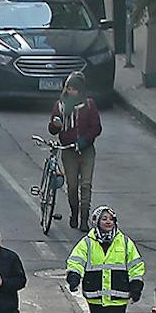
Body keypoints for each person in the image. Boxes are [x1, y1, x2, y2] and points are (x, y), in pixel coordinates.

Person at [67, 207, 145, 313]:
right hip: (95, 297)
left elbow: (135, 265)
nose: (108, 222)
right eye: (104, 219)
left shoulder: (124, 242)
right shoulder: (87, 242)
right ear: (96, 222)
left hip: (119, 297)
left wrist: (136, 285)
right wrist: (74, 276)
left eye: (110, 219)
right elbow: (76, 260)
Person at [50, 73, 103, 232]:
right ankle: (74, 212)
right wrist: (56, 125)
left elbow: (96, 127)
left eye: (74, 89)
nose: (70, 92)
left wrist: (85, 140)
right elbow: (52, 129)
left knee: (86, 185)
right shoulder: (60, 106)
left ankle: (84, 218)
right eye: (69, 89)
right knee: (72, 186)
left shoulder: (89, 105)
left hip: (86, 151)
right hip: (69, 151)